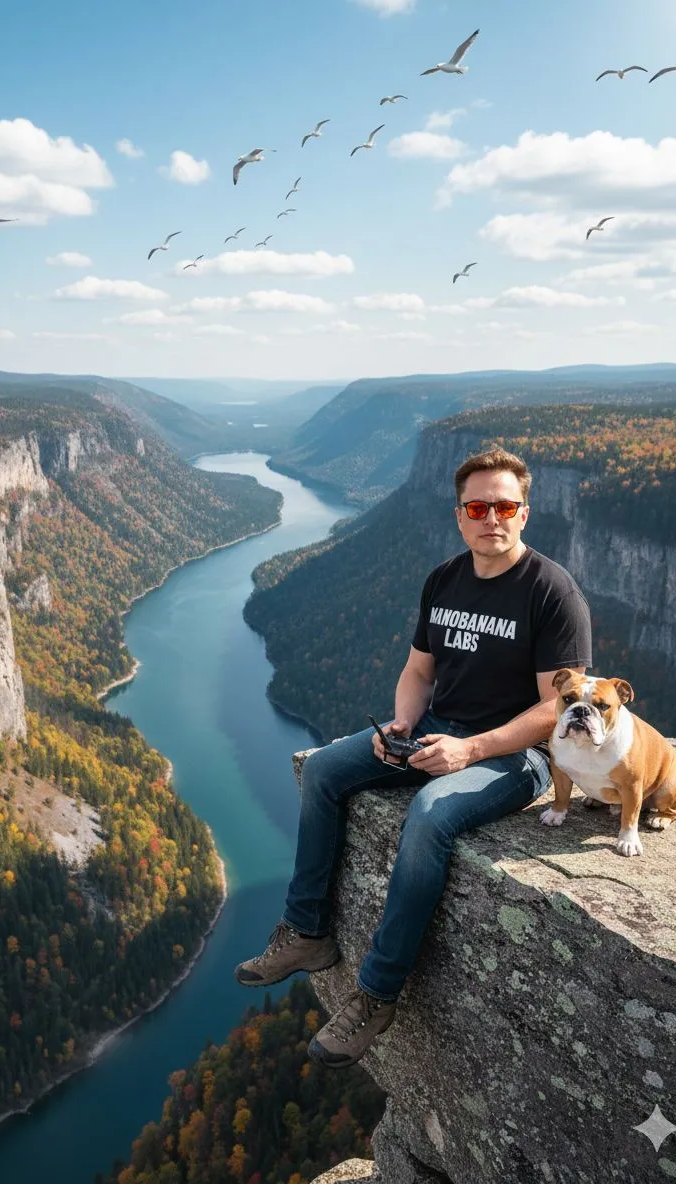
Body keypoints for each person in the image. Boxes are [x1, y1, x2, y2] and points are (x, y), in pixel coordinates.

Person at [234, 446, 592, 1069]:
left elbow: (556, 709)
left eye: (505, 506)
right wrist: (402, 722)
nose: (492, 518)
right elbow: (418, 670)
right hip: (433, 731)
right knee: (322, 769)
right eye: (478, 506)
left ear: (525, 513)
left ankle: (376, 994)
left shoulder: (552, 592)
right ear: (459, 515)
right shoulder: (444, 579)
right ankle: (308, 933)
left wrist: (472, 748)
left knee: (430, 813)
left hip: (518, 755)